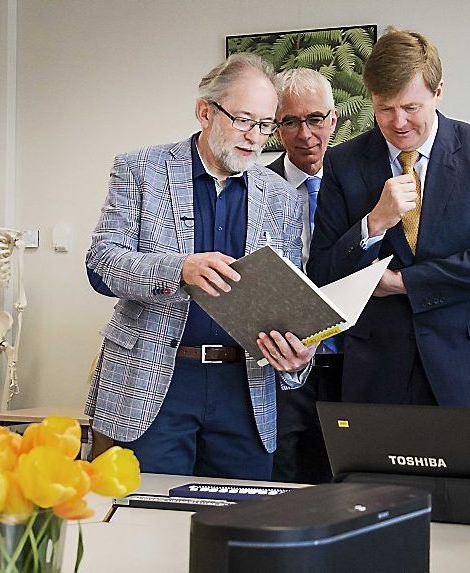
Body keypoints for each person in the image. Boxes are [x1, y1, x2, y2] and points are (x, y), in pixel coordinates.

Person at [85, 53, 316, 480]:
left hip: (245, 388)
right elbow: (101, 263)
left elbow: (289, 296)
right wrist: (178, 270)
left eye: (266, 125)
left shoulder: (282, 196)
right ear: (205, 112)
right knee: (143, 521)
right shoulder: (141, 170)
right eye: (244, 120)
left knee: (239, 527)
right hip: (155, 382)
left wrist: (301, 350)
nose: (255, 137)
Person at [307, 29, 470, 407]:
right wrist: (373, 224)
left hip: (466, 361)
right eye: (385, 108)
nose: (398, 122)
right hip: (376, 366)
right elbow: (322, 271)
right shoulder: (342, 162)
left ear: (438, 93)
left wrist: (404, 283)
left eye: (411, 108)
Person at [266, 68, 339, 483]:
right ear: (276, 128)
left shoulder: (361, 187)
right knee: (284, 472)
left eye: (314, 119)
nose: (304, 133)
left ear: (333, 120)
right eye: (290, 121)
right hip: (281, 360)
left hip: (350, 360)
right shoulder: (255, 187)